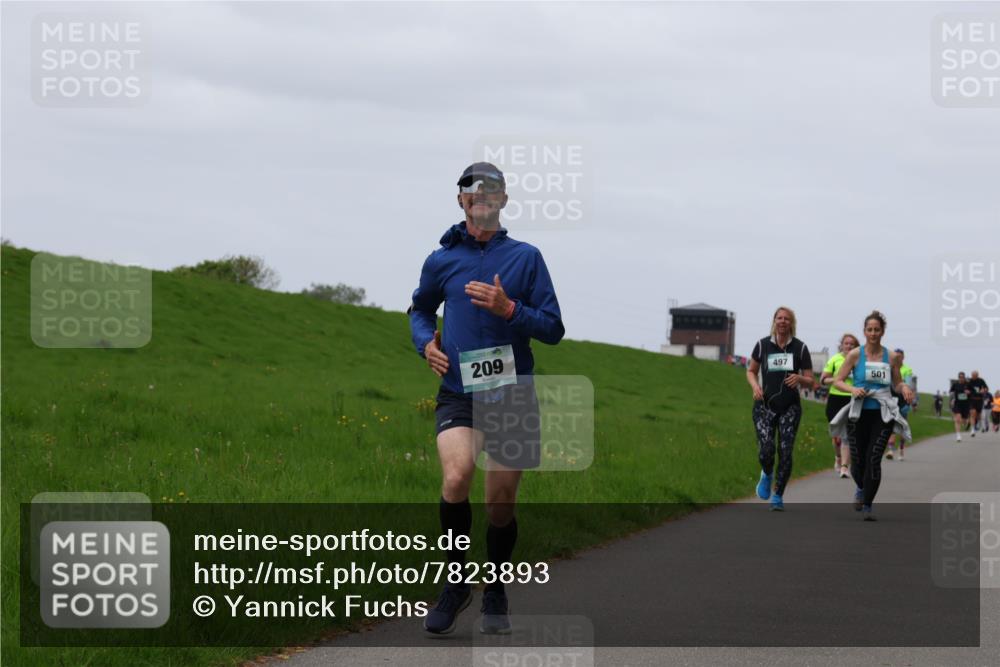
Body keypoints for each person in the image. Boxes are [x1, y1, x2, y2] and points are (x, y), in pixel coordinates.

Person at [409, 162, 565, 635]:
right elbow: (420, 308)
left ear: (503, 201)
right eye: (472, 192)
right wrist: (426, 344)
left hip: (512, 394)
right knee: (456, 476)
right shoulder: (441, 259)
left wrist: (510, 309)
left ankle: (494, 589)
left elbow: (554, 328)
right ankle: (456, 583)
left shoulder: (526, 257)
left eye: (491, 192)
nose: (481, 199)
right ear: (460, 201)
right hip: (458, 391)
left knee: (500, 504)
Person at [830, 311, 913, 521]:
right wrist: (852, 390)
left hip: (882, 414)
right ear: (864, 331)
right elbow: (838, 380)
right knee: (858, 462)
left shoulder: (891, 356)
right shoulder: (855, 355)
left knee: (874, 458)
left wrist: (904, 388)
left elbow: (896, 382)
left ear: (883, 332)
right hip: (858, 414)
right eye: (869, 329)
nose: (873, 333)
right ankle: (861, 487)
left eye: (877, 330)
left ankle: (867, 504)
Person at [746, 306, 814, 511]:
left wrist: (800, 378)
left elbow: (811, 381)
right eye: (779, 318)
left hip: (790, 407)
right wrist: (755, 386)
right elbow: (751, 371)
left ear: (791, 323)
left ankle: (778, 495)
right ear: (774, 321)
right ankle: (767, 473)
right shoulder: (762, 345)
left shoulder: (800, 348)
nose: (782, 321)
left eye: (786, 319)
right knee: (766, 450)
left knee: (785, 451)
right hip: (764, 406)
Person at [819, 333, 860, 478]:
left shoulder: (859, 361)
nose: (849, 346)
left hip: (852, 399)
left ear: (856, 347)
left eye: (852, 344)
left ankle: (844, 467)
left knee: (847, 435)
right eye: (846, 343)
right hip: (835, 399)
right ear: (841, 345)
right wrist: (838, 378)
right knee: (836, 437)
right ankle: (838, 457)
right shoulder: (834, 360)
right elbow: (823, 380)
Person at [885, 349, 915, 461]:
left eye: (900, 356)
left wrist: (911, 400)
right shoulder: (888, 367)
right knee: (891, 424)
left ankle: (901, 449)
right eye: (895, 356)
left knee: (902, 426)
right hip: (891, 399)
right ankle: (891, 449)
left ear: (903, 357)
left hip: (903, 400)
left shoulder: (907, 369)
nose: (897, 358)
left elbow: (908, 384)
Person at [949, 372, 972, 442]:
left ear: (964, 377)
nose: (961, 378)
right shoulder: (955, 384)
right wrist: (952, 399)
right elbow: (951, 392)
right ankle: (958, 435)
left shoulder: (968, 384)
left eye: (962, 377)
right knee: (958, 419)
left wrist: (969, 392)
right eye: (960, 377)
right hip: (957, 403)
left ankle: (966, 422)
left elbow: (973, 392)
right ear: (958, 377)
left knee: (964, 420)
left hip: (966, 404)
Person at [967, 371, 990, 437]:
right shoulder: (969, 381)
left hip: (979, 400)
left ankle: (981, 425)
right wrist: (967, 391)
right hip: (972, 400)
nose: (973, 377)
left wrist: (984, 390)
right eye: (972, 375)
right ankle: (972, 430)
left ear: (977, 375)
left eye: (974, 375)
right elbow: (966, 388)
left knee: (978, 415)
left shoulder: (981, 380)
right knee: (972, 414)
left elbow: (986, 388)